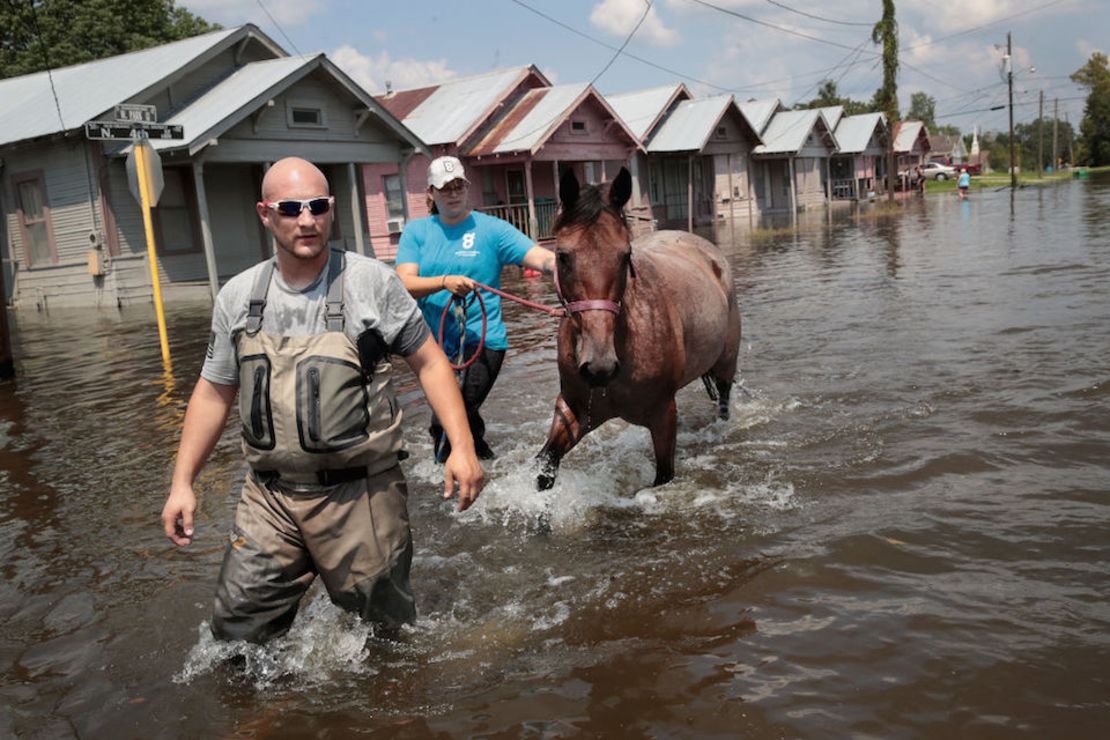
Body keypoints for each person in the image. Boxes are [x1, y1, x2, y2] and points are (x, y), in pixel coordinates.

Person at [160, 157, 484, 645]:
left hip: (361, 496)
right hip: (269, 497)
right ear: (265, 213)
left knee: (385, 640)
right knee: (236, 636)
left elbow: (431, 363)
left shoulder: (372, 283)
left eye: (318, 206)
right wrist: (183, 482)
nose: (307, 220)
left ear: (331, 209)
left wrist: (462, 447)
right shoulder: (237, 296)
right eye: (291, 208)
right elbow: (214, 390)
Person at [395, 156, 555, 463]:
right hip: (433, 347)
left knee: (452, 415)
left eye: (458, 187)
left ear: (466, 188)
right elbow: (404, 282)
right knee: (456, 417)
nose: (453, 194)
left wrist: (560, 266)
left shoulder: (492, 230)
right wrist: (444, 282)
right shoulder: (417, 232)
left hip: (485, 341)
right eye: (445, 189)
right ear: (430, 192)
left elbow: (539, 258)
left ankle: (450, 475)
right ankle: (488, 467)